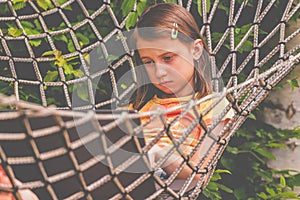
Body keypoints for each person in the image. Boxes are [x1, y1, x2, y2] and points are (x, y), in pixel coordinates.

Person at [127, 3, 234, 184]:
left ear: (196, 50)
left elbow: (199, 172)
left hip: (166, 188)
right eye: (148, 62)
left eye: (168, 58)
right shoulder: (138, 107)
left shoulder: (213, 106)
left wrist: (162, 155)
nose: (159, 72)